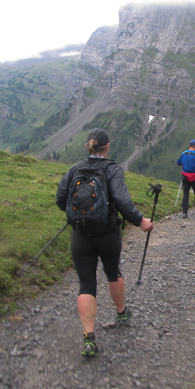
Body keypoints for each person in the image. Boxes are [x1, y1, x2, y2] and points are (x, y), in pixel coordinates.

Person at [56, 128, 154, 357]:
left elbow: (60, 199)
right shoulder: (112, 169)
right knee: (112, 272)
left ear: (87, 147)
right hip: (108, 233)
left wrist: (76, 214)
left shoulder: (75, 169)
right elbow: (122, 200)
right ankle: (121, 313)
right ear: (107, 147)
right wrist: (141, 221)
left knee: (86, 284)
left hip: (81, 235)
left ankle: (89, 339)